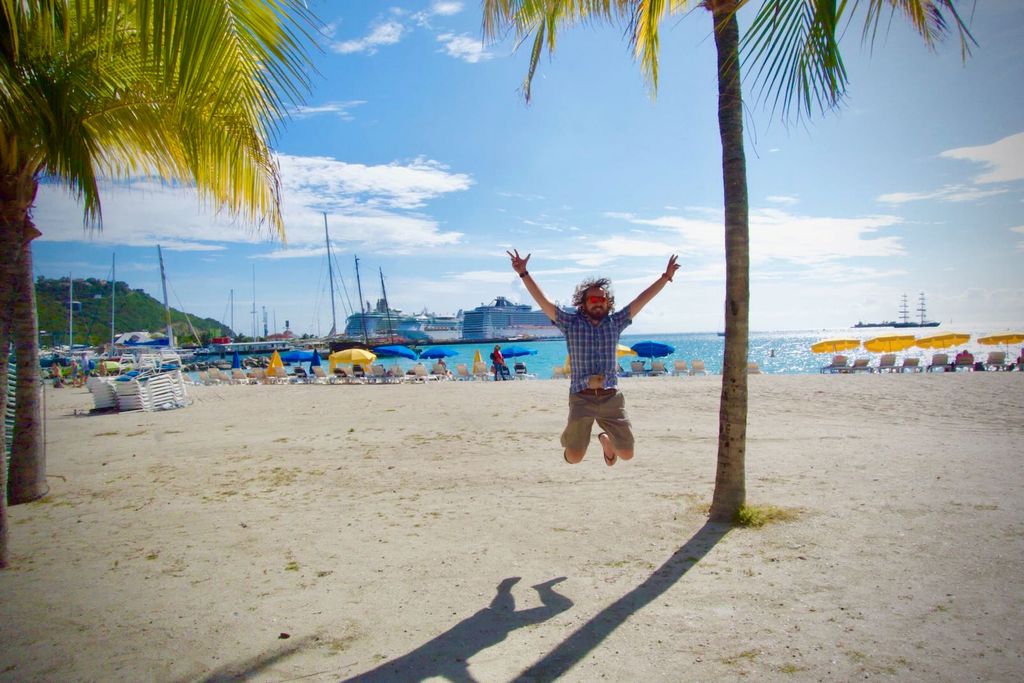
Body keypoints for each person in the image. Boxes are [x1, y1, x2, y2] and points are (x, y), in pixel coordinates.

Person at [508, 249, 680, 466]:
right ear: (584, 303)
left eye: (602, 298)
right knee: (574, 457)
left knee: (627, 454)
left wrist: (665, 277)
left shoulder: (615, 323)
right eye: (593, 299)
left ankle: (606, 440)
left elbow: (642, 299)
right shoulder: (571, 324)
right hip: (582, 398)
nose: (598, 302)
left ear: (608, 302)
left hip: (611, 398)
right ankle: (579, 440)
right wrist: (524, 273)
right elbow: (543, 301)